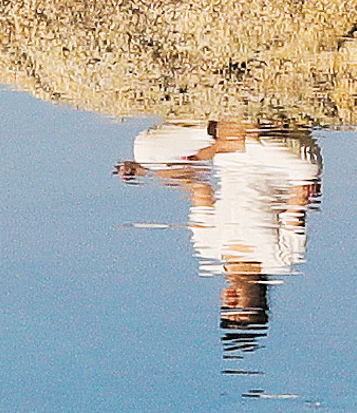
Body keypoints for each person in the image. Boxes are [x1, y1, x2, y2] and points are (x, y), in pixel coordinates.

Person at [121, 117, 319, 340]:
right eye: (240, 308)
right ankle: (249, 136)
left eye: (227, 308)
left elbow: (198, 187)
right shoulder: (283, 259)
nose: (230, 301)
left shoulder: (208, 249)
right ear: (260, 302)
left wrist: (149, 172)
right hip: (273, 156)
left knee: (145, 151)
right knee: (306, 169)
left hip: (225, 152)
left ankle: (220, 130)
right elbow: (299, 194)